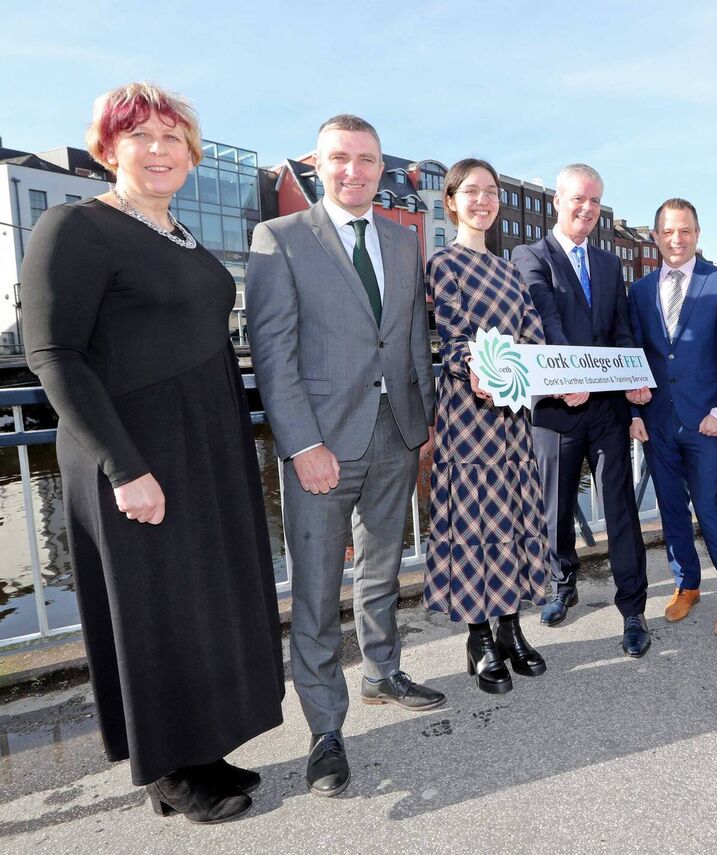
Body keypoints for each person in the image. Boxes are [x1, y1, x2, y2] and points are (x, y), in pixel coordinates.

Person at [21, 82, 284, 824]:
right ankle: (168, 770)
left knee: (198, 597)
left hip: (202, 442)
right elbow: (55, 355)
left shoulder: (181, 237)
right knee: (153, 607)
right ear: (110, 148)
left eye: (174, 138)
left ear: (191, 155)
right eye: (142, 137)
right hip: (133, 446)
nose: (161, 150)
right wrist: (125, 466)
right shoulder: (77, 228)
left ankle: (202, 744)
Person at [245, 114, 444, 798]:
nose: (354, 170)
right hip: (322, 444)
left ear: (381, 166)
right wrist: (302, 445)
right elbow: (274, 355)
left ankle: (383, 670)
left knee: (383, 565)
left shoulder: (401, 237)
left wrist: (427, 422)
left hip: (395, 432)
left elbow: (413, 336)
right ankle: (326, 728)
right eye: (341, 158)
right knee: (317, 587)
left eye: (366, 159)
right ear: (317, 166)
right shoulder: (280, 239)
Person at [512, 164, 652, 657]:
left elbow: (621, 330)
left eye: (595, 201)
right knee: (555, 506)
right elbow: (545, 320)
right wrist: (567, 377)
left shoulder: (611, 264)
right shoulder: (529, 255)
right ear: (558, 200)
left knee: (620, 510)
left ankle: (633, 608)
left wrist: (634, 377)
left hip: (608, 410)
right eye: (579, 199)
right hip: (556, 407)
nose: (587, 209)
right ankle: (561, 582)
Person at [423, 159, 551, 694]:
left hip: (513, 417)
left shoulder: (509, 270)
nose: (483, 200)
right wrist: (482, 370)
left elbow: (534, 335)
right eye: (470, 191)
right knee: (474, 520)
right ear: (451, 201)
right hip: (468, 414)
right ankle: (478, 636)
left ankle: (510, 627)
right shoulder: (443, 264)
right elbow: (452, 341)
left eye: (490, 191)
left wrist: (551, 372)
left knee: (511, 518)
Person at [627, 198, 717, 637]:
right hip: (657, 422)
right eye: (667, 232)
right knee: (671, 509)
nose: (675, 239)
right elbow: (633, 357)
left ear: (697, 234)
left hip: (705, 422)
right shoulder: (640, 291)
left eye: (684, 231)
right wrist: (635, 411)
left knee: (711, 508)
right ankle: (687, 585)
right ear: (655, 236)